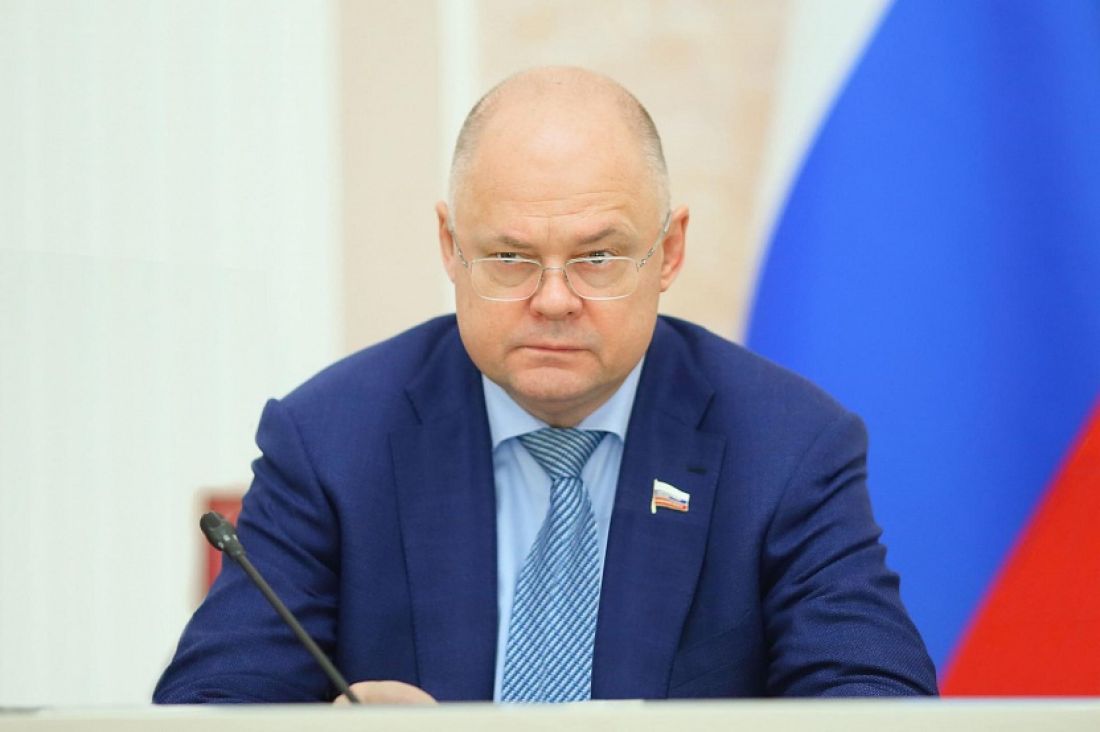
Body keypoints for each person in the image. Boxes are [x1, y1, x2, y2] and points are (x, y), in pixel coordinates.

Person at [154, 66, 937, 704]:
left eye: (598, 258)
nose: (554, 299)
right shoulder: (331, 442)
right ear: (451, 246)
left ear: (668, 252)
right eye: (510, 258)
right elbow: (213, 705)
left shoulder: (788, 447)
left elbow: (874, 702)